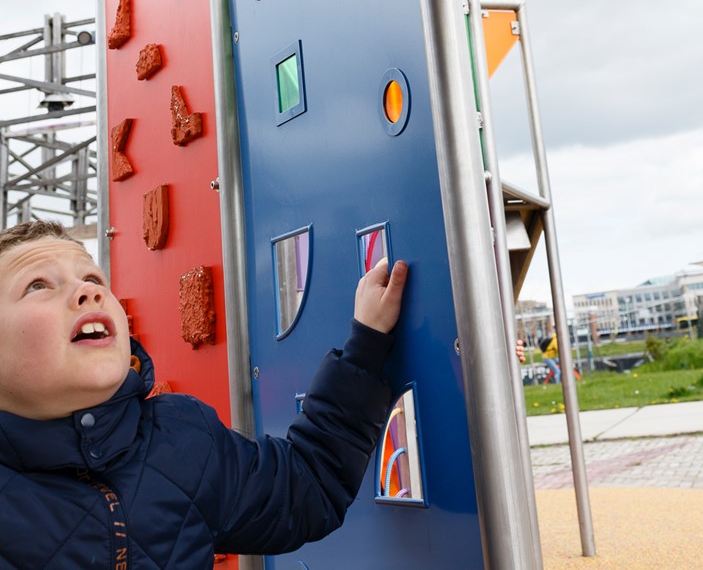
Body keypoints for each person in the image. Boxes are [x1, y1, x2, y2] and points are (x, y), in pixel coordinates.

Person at [0, 219, 407, 567]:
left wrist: (366, 347)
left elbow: (307, 488)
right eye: (37, 285)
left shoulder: (182, 438)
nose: (88, 292)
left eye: (92, 279)